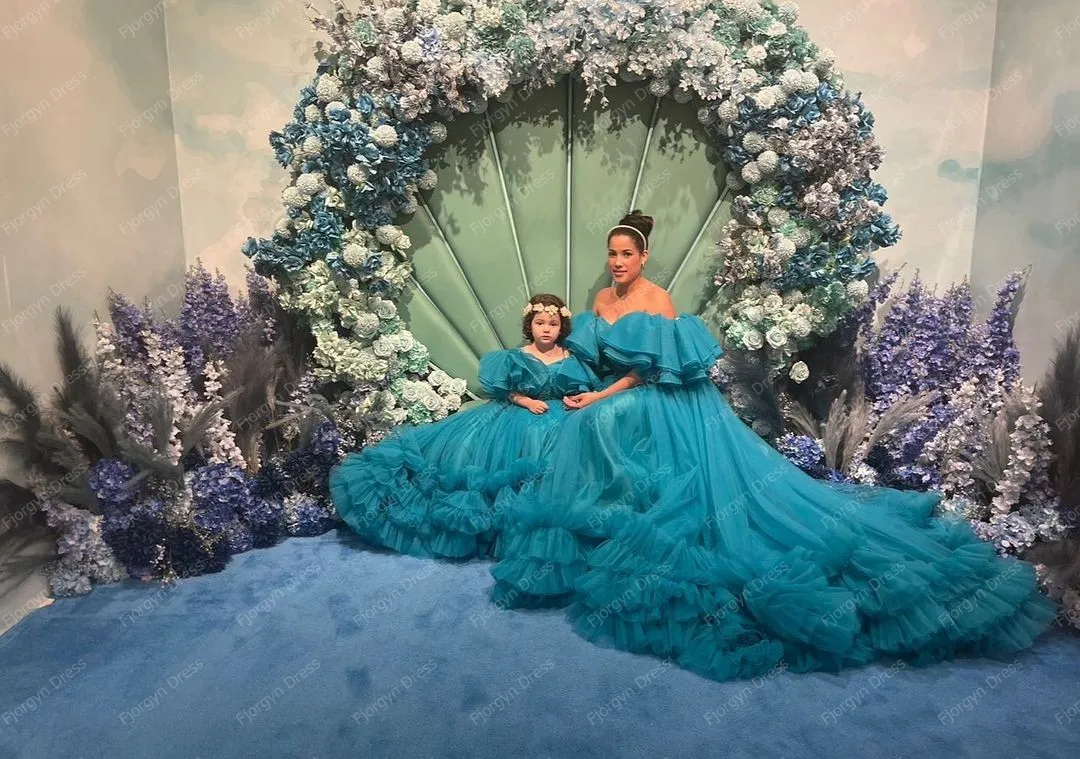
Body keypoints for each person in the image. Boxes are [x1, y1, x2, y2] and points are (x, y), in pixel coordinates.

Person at [487, 209, 1057, 682]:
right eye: (612, 254)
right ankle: (607, 518)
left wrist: (598, 398)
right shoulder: (600, 301)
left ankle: (636, 510)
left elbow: (649, 372)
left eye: (626, 254)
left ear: (644, 257)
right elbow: (596, 359)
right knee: (586, 423)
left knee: (603, 423)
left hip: (661, 395)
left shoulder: (656, 301)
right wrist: (575, 391)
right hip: (619, 391)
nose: (617, 262)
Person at [330, 293, 599, 560]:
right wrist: (526, 401)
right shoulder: (517, 356)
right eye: (540, 323)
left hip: (558, 412)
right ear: (530, 325)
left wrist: (572, 398)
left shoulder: (569, 357)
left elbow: (579, 388)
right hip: (519, 411)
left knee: (559, 450)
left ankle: (546, 526)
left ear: (562, 327)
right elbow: (506, 390)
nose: (546, 329)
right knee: (473, 450)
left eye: (553, 324)